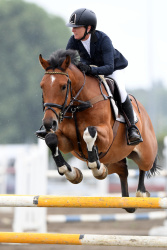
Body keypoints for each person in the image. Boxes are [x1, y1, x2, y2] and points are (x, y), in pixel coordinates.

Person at [66, 8, 143, 145]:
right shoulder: (73, 40)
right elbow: (67, 61)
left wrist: (89, 69)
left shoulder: (103, 39)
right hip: (90, 69)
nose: (73, 30)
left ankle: (132, 128)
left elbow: (109, 67)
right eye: (73, 27)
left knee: (120, 90)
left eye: (76, 27)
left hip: (113, 69)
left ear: (88, 28)